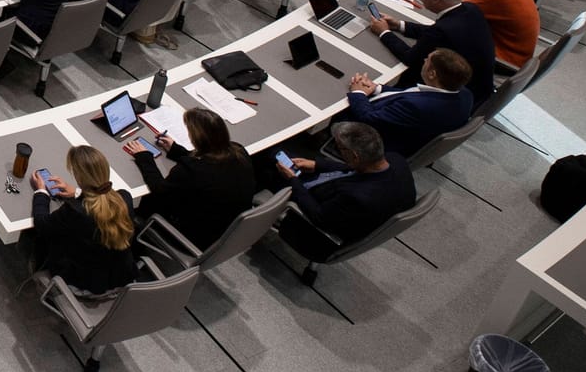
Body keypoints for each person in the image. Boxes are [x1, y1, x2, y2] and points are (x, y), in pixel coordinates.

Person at [273, 122, 415, 262]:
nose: (337, 150)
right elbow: (353, 169)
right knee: (284, 152)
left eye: (339, 148)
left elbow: (318, 216)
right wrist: (317, 165)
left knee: (266, 163)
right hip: (334, 191)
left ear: (355, 156)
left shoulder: (358, 198)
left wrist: (292, 180)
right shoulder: (396, 161)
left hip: (311, 227)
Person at [122, 107, 256, 251]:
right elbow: (209, 159)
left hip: (193, 236)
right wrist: (175, 150)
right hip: (223, 228)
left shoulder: (192, 170)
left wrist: (144, 157)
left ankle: (134, 241)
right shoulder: (238, 151)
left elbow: (159, 188)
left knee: (146, 199)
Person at [368, 0, 497, 105]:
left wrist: (384, 33)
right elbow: (433, 31)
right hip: (481, 88)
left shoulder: (443, 30)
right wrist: (400, 25)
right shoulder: (470, 9)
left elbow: (410, 58)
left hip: (458, 95)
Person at [22, 146, 137, 296]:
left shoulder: (75, 211)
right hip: (121, 277)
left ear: (79, 177)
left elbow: (42, 224)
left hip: (86, 284)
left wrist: (41, 192)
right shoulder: (124, 198)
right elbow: (98, 203)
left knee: (33, 236)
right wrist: (78, 193)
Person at [338, 50, 475, 159]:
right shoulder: (465, 95)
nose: (424, 60)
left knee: (336, 111)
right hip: (410, 134)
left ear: (432, 74)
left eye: (427, 60)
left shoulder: (418, 107)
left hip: (376, 142)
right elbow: (409, 93)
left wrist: (358, 93)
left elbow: (368, 120)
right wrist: (376, 88)